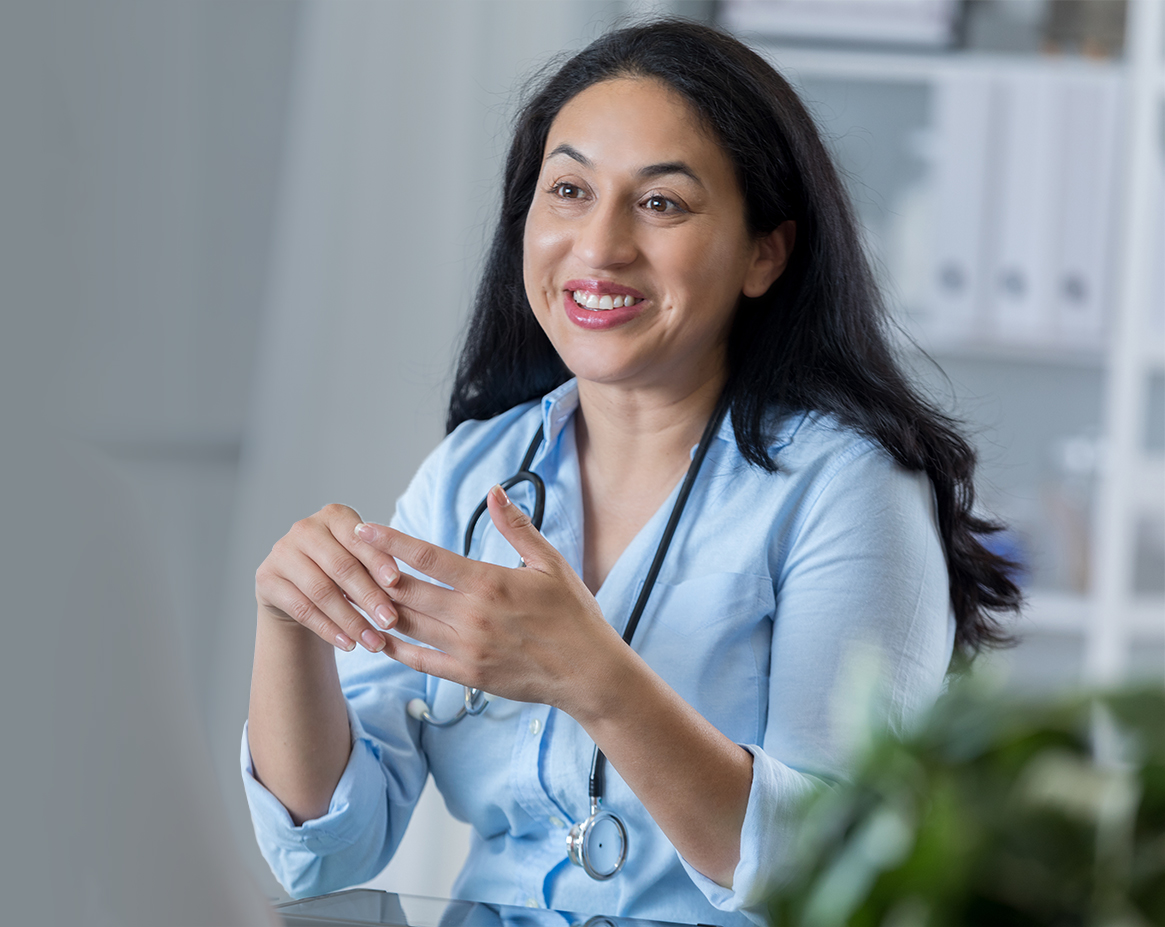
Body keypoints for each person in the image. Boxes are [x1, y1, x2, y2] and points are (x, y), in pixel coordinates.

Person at [242, 19, 1020, 926]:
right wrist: (289, 628)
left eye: (660, 202)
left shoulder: (848, 489)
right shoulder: (471, 472)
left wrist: (598, 680)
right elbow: (326, 852)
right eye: (568, 190)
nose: (600, 244)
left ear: (764, 252)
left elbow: (846, 872)